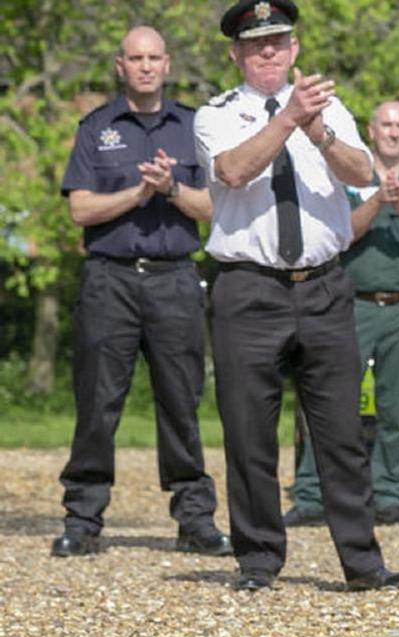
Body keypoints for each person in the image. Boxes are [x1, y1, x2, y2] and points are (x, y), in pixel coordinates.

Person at [194, 0, 399, 592]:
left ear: (294, 50)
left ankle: (363, 563)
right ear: (238, 54)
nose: (269, 51)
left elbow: (361, 171)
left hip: (322, 285)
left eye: (279, 42)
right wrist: (288, 119)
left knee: (342, 432)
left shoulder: (328, 107)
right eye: (256, 44)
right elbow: (234, 171)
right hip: (248, 288)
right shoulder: (217, 114)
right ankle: (259, 559)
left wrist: (316, 127)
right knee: (249, 433)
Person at [53, 26, 231, 559]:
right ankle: (82, 518)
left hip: (174, 276)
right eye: (136, 58)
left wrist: (173, 188)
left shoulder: (193, 127)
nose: (146, 66)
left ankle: (195, 519)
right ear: (120, 66)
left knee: (181, 400)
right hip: (109, 277)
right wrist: (139, 192)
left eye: (154, 57)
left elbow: (216, 211)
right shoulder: (96, 127)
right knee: (97, 402)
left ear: (168, 64)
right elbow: (80, 209)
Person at [284, 100, 399, 528]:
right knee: (328, 404)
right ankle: (313, 495)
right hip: (350, 305)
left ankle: (389, 495)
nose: (393, 132)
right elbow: (340, 235)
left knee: (396, 410)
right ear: (371, 131)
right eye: (386, 125)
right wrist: (378, 199)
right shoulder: (347, 175)